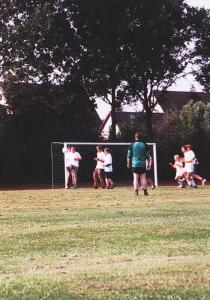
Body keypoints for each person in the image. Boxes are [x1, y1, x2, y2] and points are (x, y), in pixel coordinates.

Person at [127, 132, 151, 196]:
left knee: (135, 178)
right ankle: (145, 192)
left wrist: (128, 163)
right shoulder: (145, 144)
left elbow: (129, 156)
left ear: (135, 137)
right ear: (141, 137)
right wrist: (148, 163)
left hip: (135, 164)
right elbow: (148, 156)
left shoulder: (132, 145)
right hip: (143, 164)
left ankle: (136, 192)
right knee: (143, 178)